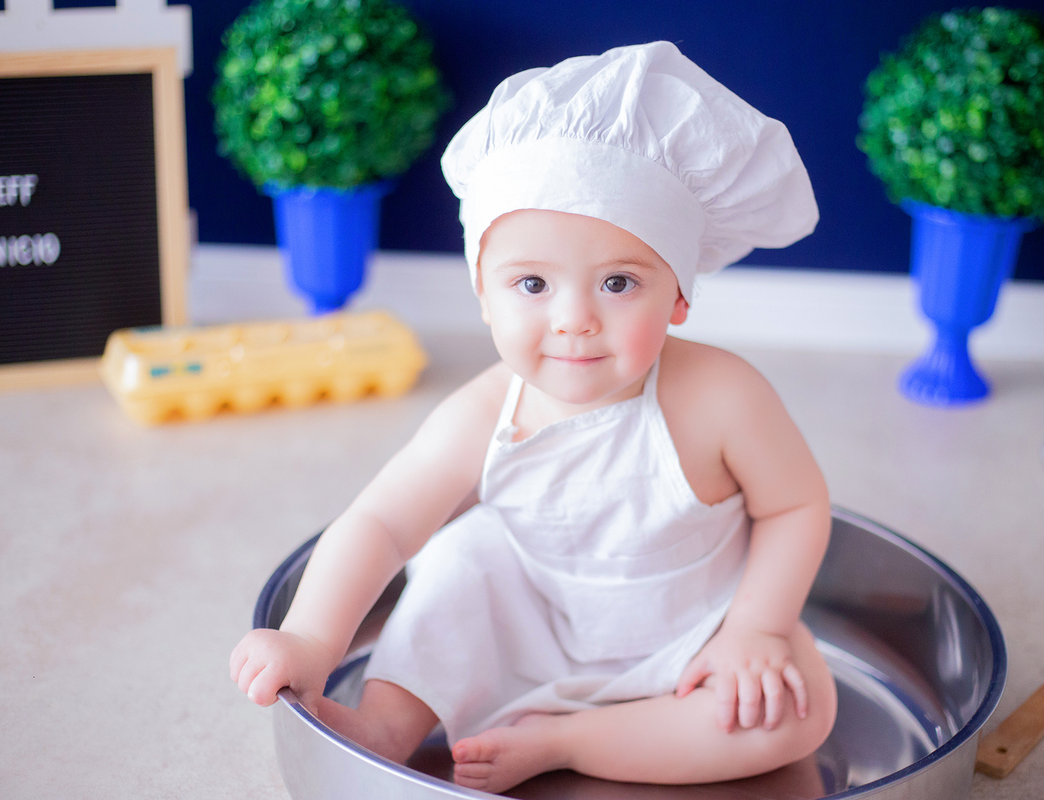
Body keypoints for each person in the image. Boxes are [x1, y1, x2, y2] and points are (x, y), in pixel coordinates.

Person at [231, 41, 836, 795]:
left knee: (795, 713)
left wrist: (757, 629)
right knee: (458, 559)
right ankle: (391, 722)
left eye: (619, 282)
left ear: (679, 295)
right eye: (531, 283)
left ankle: (575, 741)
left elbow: (796, 506)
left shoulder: (723, 396)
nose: (575, 320)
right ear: (483, 295)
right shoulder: (486, 409)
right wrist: (311, 638)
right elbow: (383, 522)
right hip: (526, 615)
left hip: (692, 633)